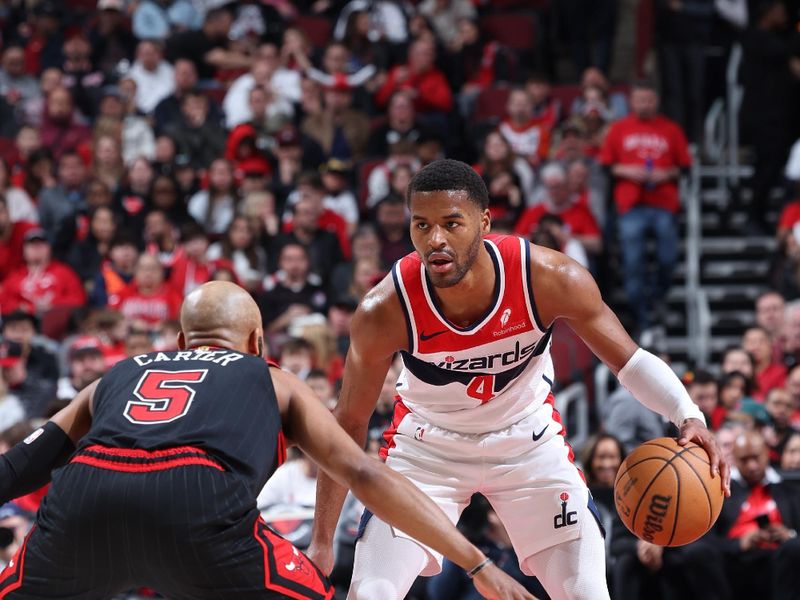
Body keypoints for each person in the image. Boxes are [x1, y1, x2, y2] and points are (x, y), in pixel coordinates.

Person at [307, 159, 728, 600]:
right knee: (371, 593)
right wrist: (321, 541)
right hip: (427, 449)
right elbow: (349, 424)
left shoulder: (547, 278)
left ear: (484, 222)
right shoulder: (385, 309)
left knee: (587, 592)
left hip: (528, 445)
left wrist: (688, 415)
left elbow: (629, 361)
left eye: (452, 223)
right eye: (422, 225)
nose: (435, 240)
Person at [0, 281, 531, 599]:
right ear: (257, 342)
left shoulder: (117, 374)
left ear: (182, 340)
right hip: (196, 498)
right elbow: (365, 474)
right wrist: (476, 563)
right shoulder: (269, 376)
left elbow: (22, 465)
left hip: (85, 499)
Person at [599, 81, 691, 333]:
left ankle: (657, 299)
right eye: (640, 100)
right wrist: (628, 170)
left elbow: (685, 167)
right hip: (631, 204)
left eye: (648, 100)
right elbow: (606, 165)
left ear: (656, 101)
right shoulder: (619, 128)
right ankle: (641, 315)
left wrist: (665, 173)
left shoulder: (670, 129)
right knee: (633, 262)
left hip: (664, 203)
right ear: (632, 101)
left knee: (668, 258)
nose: (644, 105)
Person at [709, 431, 800, 600]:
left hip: (779, 558)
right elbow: (709, 540)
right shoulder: (720, 493)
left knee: (793, 548)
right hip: (735, 561)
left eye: (756, 457)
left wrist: (788, 535)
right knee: (699, 552)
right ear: (734, 459)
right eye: (744, 459)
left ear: (767, 454)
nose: (752, 466)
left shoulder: (789, 490)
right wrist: (740, 543)